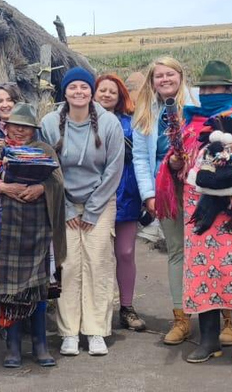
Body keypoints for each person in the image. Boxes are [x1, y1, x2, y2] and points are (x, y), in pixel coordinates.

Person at [0, 103, 66, 368]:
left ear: (33, 130)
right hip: (7, 228)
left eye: (26, 127)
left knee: (38, 289)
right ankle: (13, 347)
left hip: (39, 228)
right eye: (16, 126)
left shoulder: (45, 150)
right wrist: (3, 185)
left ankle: (40, 345)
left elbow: (58, 182)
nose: (21, 131)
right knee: (8, 291)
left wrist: (41, 186)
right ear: (7, 126)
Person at [41, 67, 124, 356]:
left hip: (99, 203)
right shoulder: (50, 123)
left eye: (84, 87)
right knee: (69, 265)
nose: (79, 92)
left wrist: (91, 210)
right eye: (73, 87)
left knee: (98, 263)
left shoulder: (109, 122)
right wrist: (64, 209)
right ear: (64, 91)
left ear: (92, 90)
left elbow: (114, 169)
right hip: (63, 202)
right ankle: (69, 332)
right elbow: (47, 168)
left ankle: (96, 330)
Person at [131, 57, 207, 345]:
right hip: (165, 187)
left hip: (199, 185)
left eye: (169, 74)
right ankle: (181, 318)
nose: (164, 79)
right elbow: (140, 156)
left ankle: (224, 318)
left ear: (180, 75)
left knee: (207, 248)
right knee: (177, 251)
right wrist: (148, 193)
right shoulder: (145, 111)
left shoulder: (197, 102)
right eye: (158, 76)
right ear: (152, 81)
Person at [179, 61, 232, 365]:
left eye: (214, 88)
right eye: (204, 88)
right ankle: (208, 340)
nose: (207, 93)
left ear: (229, 89)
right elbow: (183, 159)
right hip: (197, 206)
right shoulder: (191, 121)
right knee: (202, 274)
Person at [95, 74, 146, 331]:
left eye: (111, 91)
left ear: (120, 96)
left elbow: (141, 160)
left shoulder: (131, 124)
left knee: (125, 253)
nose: (106, 95)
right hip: (95, 199)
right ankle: (97, 310)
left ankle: (126, 307)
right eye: (102, 90)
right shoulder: (83, 122)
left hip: (126, 194)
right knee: (97, 255)